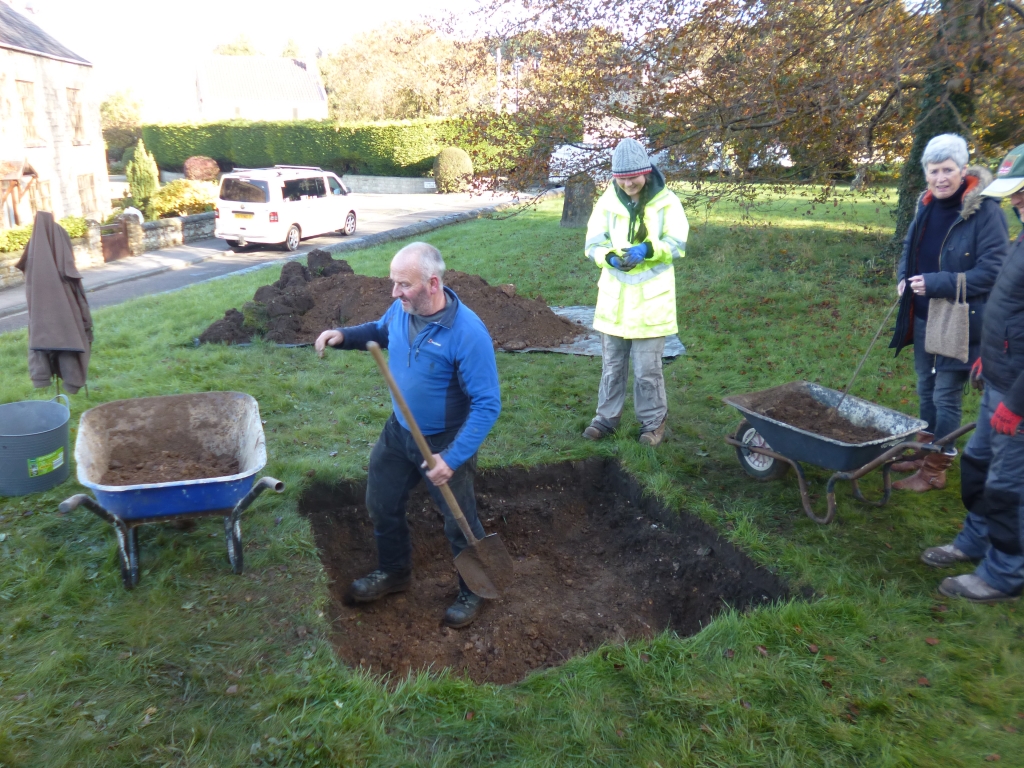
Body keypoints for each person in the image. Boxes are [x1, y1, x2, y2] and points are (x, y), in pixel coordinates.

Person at [314, 242, 501, 628]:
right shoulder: (402, 310)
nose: (394, 292)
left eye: (403, 284)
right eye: (393, 282)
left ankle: (474, 588)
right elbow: (380, 331)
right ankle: (394, 571)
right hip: (399, 433)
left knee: (458, 520)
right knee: (381, 503)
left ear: (432, 284)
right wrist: (342, 335)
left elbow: (487, 405)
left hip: (443, 442)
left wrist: (452, 458)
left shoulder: (468, 333)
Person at [921, 144, 1024, 603]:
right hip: (1000, 374)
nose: (1017, 201)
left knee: (1008, 485)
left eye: (1023, 193)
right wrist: (989, 355)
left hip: (1017, 396)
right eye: (1015, 193)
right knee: (979, 465)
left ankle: (1004, 574)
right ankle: (974, 541)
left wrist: (1017, 404)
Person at [889, 134, 1008, 492]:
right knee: (925, 387)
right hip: (924, 316)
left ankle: (934, 470)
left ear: (963, 170)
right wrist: (903, 279)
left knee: (945, 395)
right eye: (933, 170)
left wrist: (937, 282)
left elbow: (993, 271)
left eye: (948, 170)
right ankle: (923, 452)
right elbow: (909, 250)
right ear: (926, 172)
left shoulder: (985, 211)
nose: (940, 178)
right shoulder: (925, 205)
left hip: (959, 320)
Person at [581, 138, 689, 447]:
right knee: (612, 366)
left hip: (651, 304)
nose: (629, 184)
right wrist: (609, 257)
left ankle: (652, 424)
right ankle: (605, 419)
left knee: (646, 370)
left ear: (646, 172)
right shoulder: (607, 202)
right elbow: (593, 243)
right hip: (614, 302)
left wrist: (648, 249)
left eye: (634, 177)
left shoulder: (667, 202)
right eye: (622, 178)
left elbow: (677, 243)